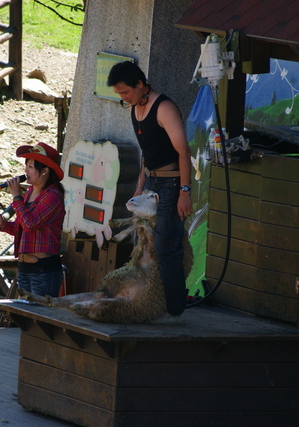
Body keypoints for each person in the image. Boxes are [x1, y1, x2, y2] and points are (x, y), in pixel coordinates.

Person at [107, 61, 193, 319]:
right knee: (147, 243)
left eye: (125, 92)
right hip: (152, 181)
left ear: (140, 84)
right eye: (119, 94)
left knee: (167, 245)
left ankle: (175, 308)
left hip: (172, 181)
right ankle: (155, 302)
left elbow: (183, 151)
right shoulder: (135, 109)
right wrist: (139, 187)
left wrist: (185, 192)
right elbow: (147, 152)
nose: (123, 98)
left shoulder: (163, 107)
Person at [0, 142, 66, 297]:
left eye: (31, 166)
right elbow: (23, 229)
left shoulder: (53, 195)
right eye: (27, 165)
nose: (26, 170)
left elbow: (30, 224)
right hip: (25, 267)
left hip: (43, 269)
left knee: (40, 316)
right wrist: (3, 224)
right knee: (25, 314)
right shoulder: (29, 192)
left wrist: (17, 197)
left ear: (45, 171)